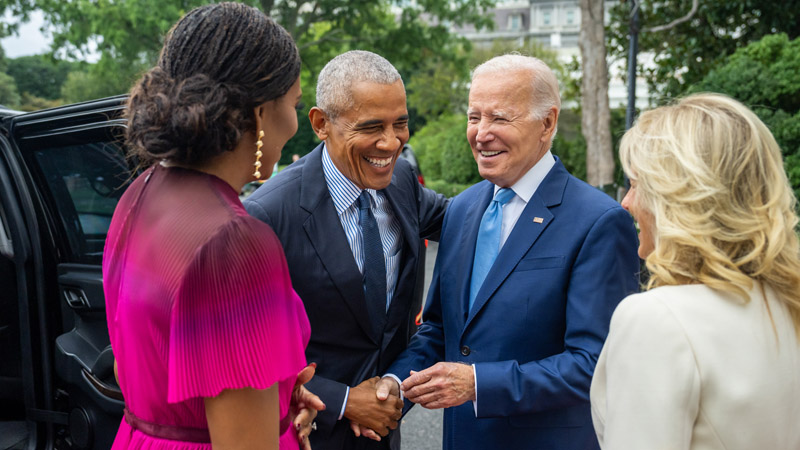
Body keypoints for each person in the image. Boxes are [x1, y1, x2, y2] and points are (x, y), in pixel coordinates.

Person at [377, 54, 640, 450]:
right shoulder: (463, 209)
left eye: (499, 118)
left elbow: (596, 364)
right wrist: (393, 386)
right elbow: (440, 330)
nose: (481, 134)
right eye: (473, 117)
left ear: (547, 123)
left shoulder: (598, 221)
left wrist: (480, 384)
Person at [104, 4, 323, 449]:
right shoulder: (235, 242)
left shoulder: (141, 192)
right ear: (260, 114)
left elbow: (145, 359)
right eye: (295, 104)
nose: (295, 124)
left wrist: (276, 397)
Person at [244, 50, 448, 450]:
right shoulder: (267, 215)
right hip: (308, 434)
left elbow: (464, 219)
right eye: (372, 127)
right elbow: (249, 355)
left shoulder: (402, 179)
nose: (391, 143)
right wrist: (344, 401)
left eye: (401, 124)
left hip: (385, 432)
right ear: (321, 124)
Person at [590, 93, 800, 449]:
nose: (625, 201)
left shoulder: (657, 319)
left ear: (677, 198)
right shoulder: (787, 303)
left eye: (637, 184)